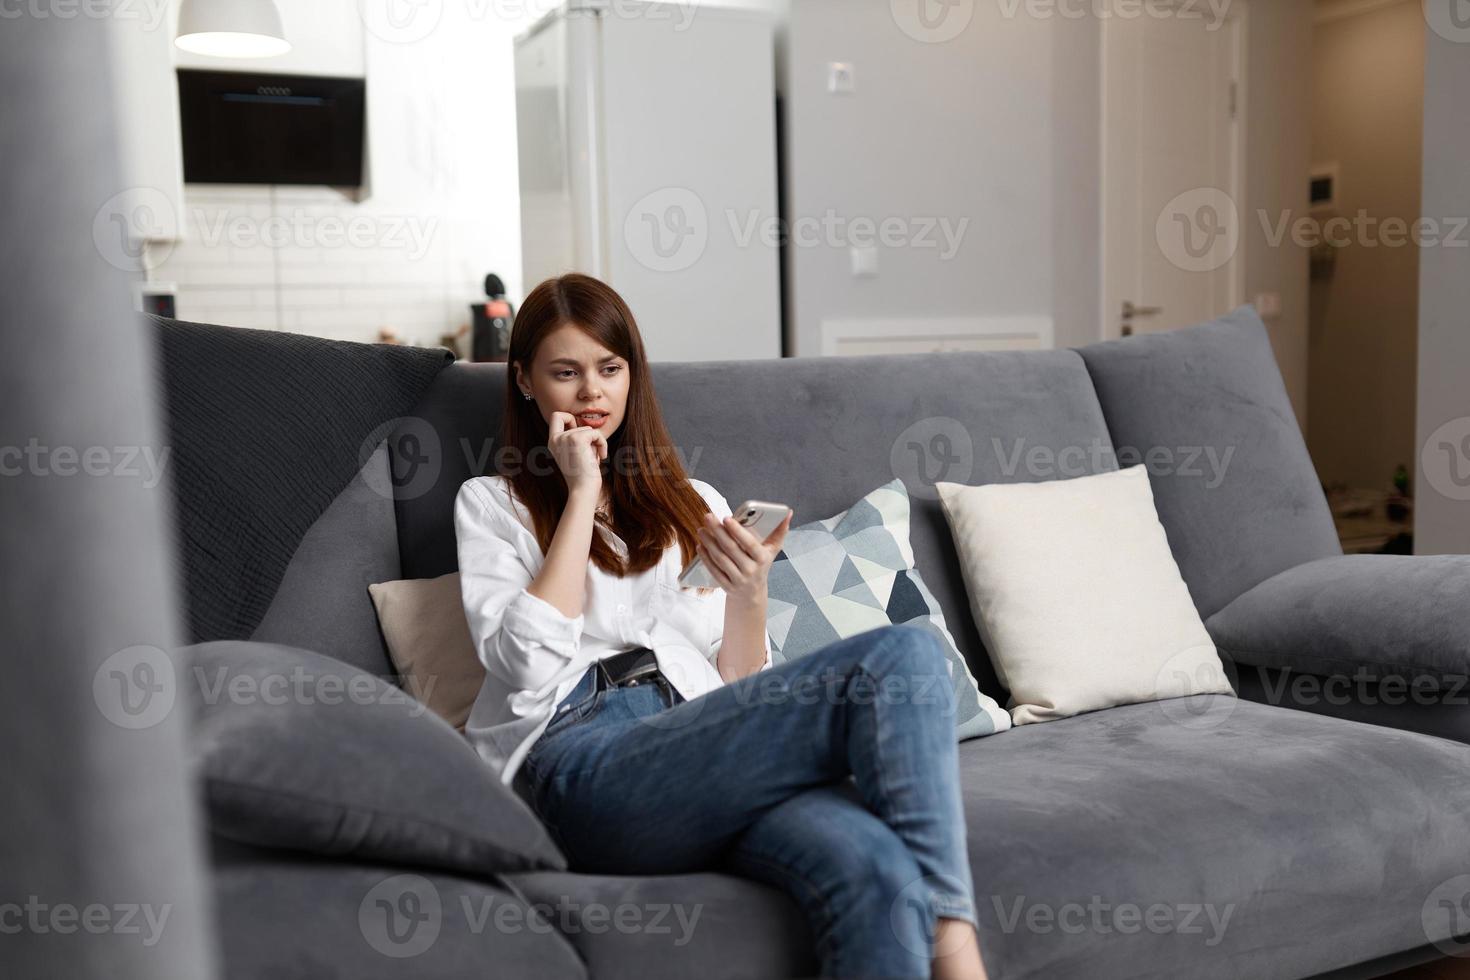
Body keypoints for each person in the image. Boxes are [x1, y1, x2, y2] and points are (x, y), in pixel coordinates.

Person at [454, 273, 988, 980]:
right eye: (566, 372)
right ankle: (961, 957)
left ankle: (941, 933)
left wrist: (750, 593)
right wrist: (581, 490)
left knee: (875, 868)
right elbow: (523, 665)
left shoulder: (689, 501)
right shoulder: (492, 504)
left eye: (610, 370)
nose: (592, 393)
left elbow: (738, 683)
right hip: (583, 762)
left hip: (702, 746)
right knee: (899, 658)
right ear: (524, 381)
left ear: (632, 377)